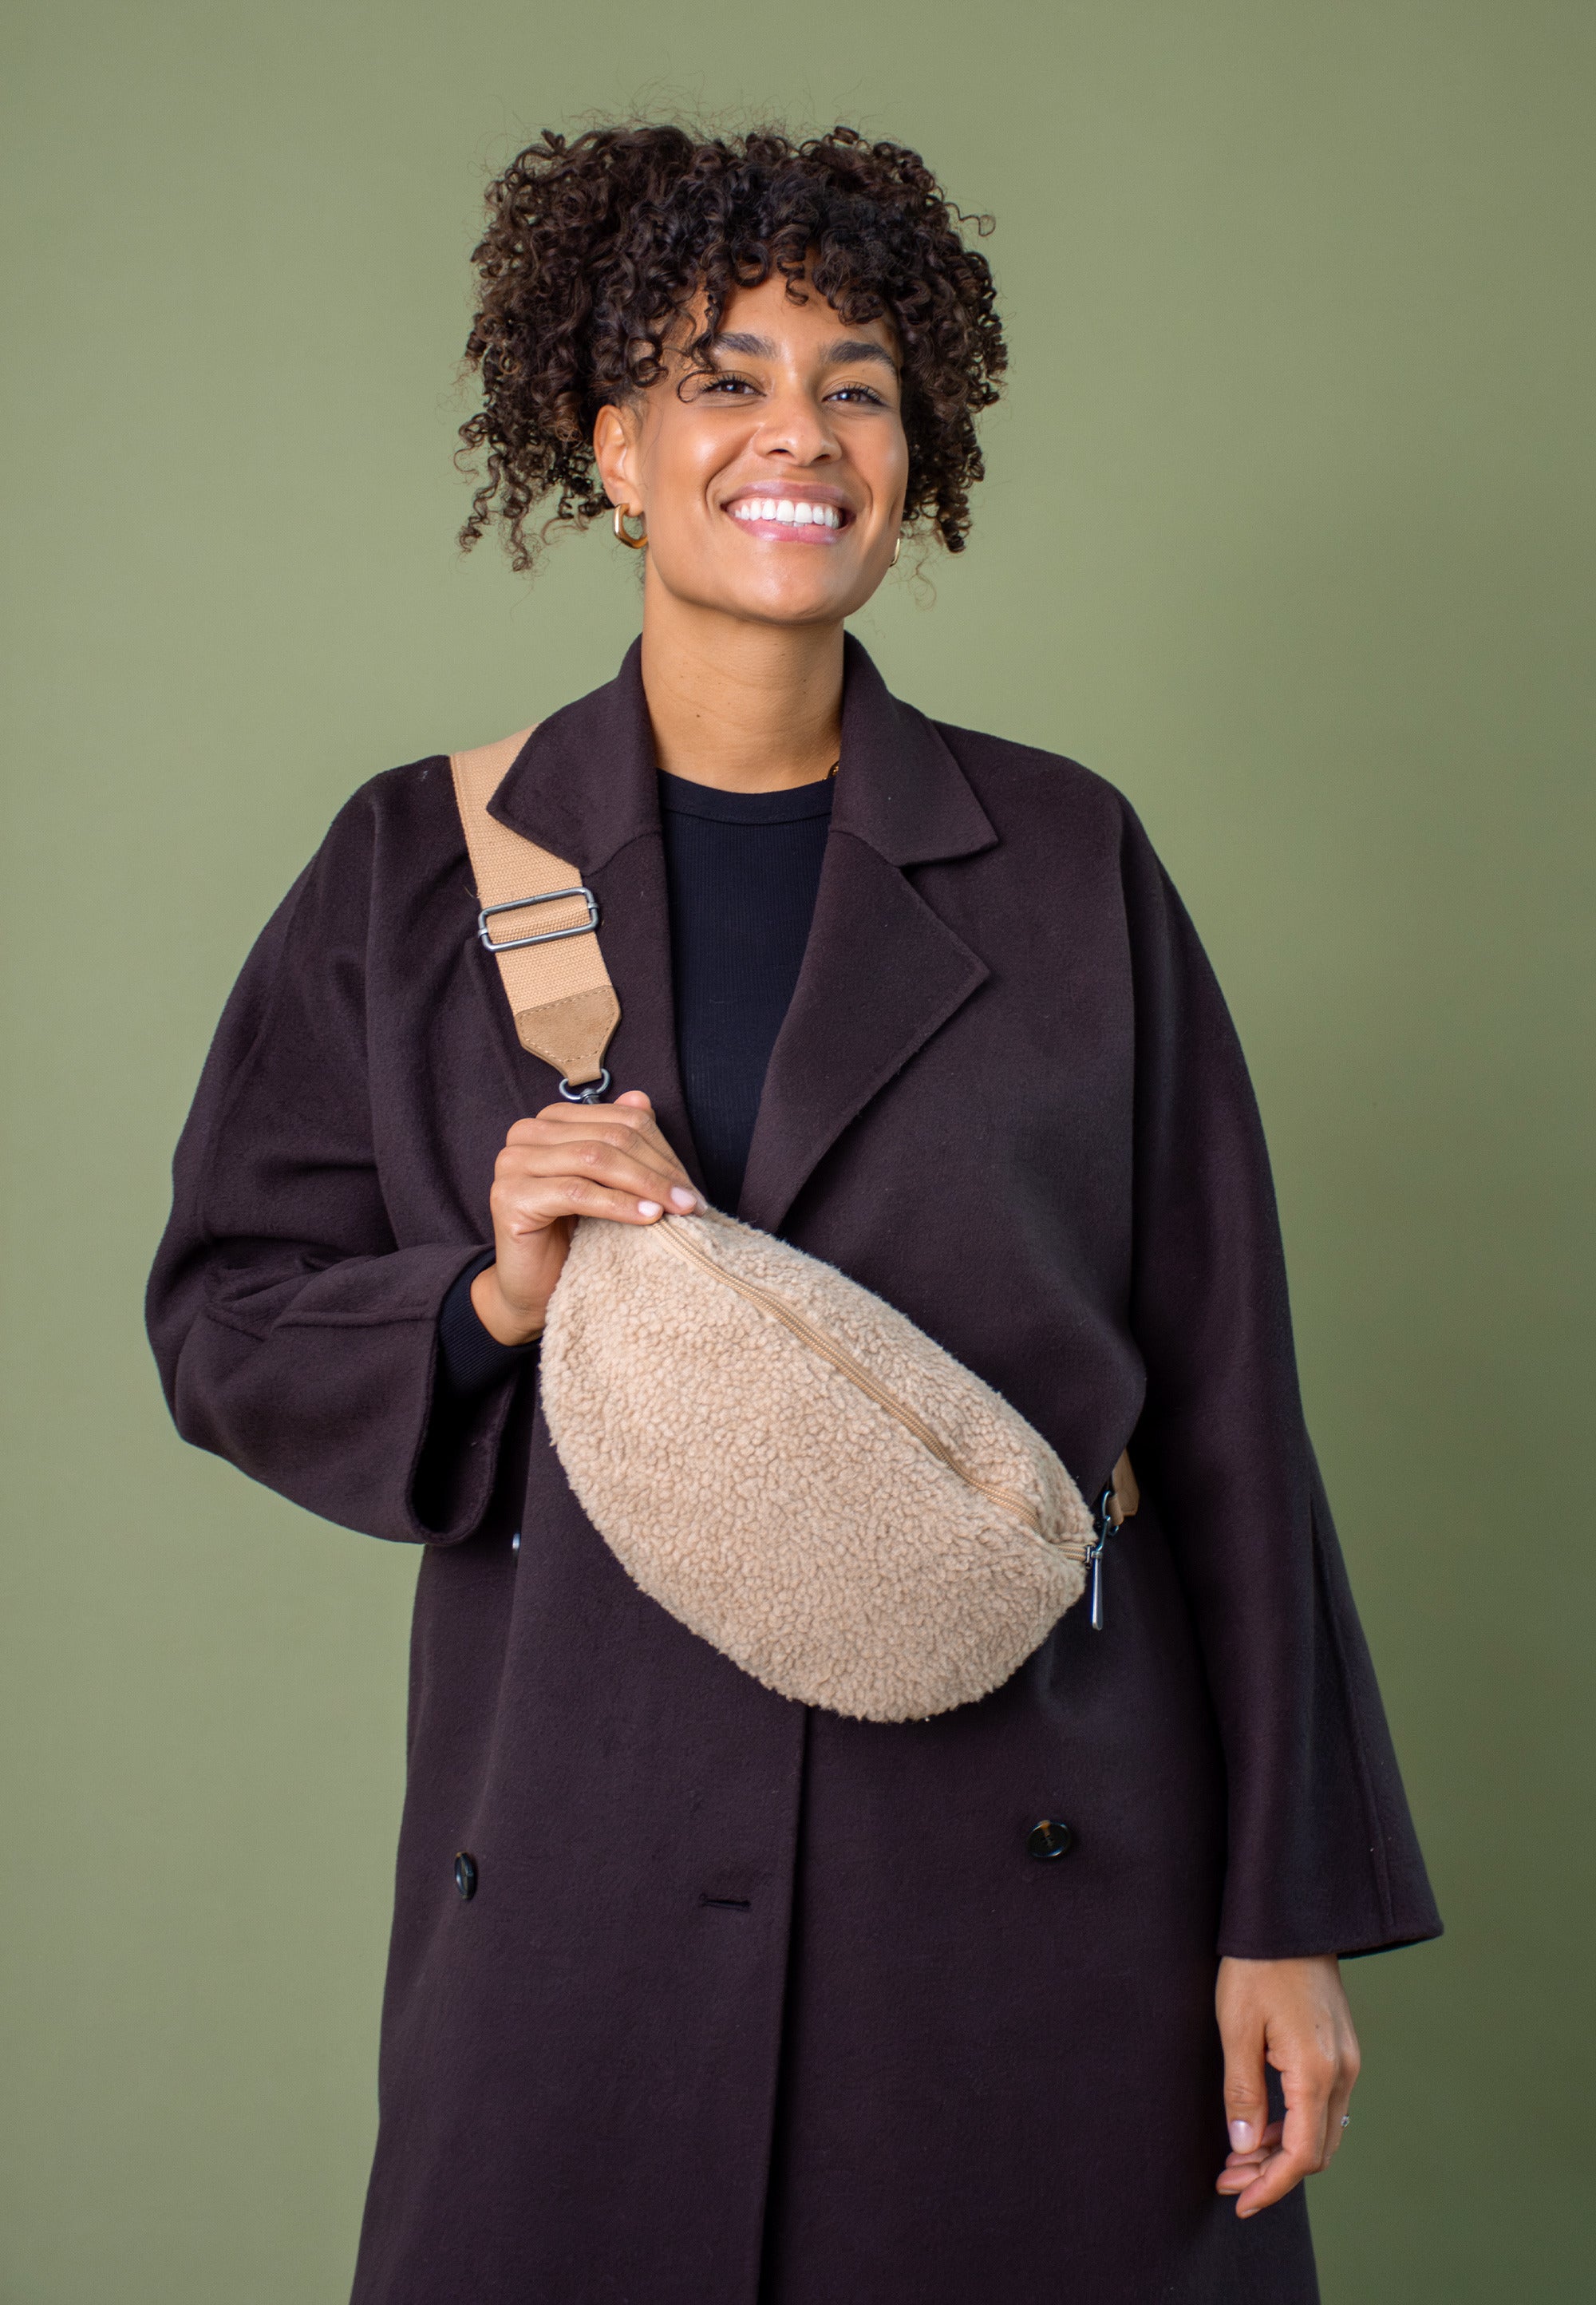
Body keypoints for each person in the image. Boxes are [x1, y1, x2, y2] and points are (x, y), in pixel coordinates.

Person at [146, 123, 1440, 2305]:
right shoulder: (417, 868)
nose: (798, 435)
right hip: (575, 1865)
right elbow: (228, 1317)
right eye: (724, 378)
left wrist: (1284, 1912)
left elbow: (1229, 1407)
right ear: (612, 448)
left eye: (857, 386)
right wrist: (484, 1299)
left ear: (912, 453)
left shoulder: (1069, 861)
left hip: (1039, 1872)